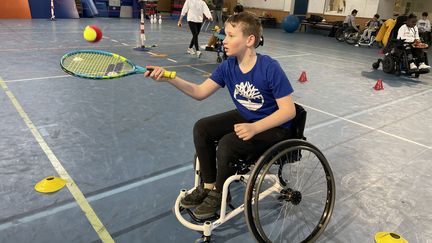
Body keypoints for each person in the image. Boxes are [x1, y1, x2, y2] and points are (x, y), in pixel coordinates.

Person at [145, 12, 296, 220]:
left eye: (231, 35)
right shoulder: (227, 67)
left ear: (249, 40)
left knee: (227, 143)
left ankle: (218, 195)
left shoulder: (269, 68)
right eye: (225, 35)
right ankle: (208, 186)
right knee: (202, 128)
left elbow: (289, 111)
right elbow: (199, 92)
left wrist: (255, 128)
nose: (224, 40)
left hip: (274, 128)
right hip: (247, 117)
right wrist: (170, 78)